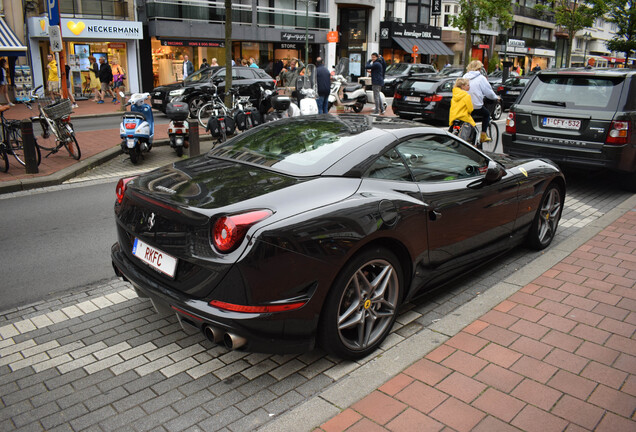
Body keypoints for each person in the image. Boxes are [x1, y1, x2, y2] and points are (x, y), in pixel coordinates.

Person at [463, 60, 498, 143]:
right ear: (479, 69)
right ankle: (483, 135)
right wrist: (496, 97)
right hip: (475, 106)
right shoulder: (481, 78)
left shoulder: (464, 76)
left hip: (464, 105)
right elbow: (489, 93)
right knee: (486, 114)